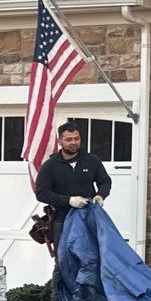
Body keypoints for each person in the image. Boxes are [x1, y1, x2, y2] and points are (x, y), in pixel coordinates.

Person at [33, 121, 113, 291]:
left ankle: (90, 298)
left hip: (89, 218)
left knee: (92, 258)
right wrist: (68, 200)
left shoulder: (91, 161)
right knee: (63, 261)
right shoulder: (51, 166)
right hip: (62, 220)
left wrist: (100, 195)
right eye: (68, 139)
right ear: (60, 141)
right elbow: (41, 193)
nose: (73, 142)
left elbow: (105, 180)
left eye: (76, 138)